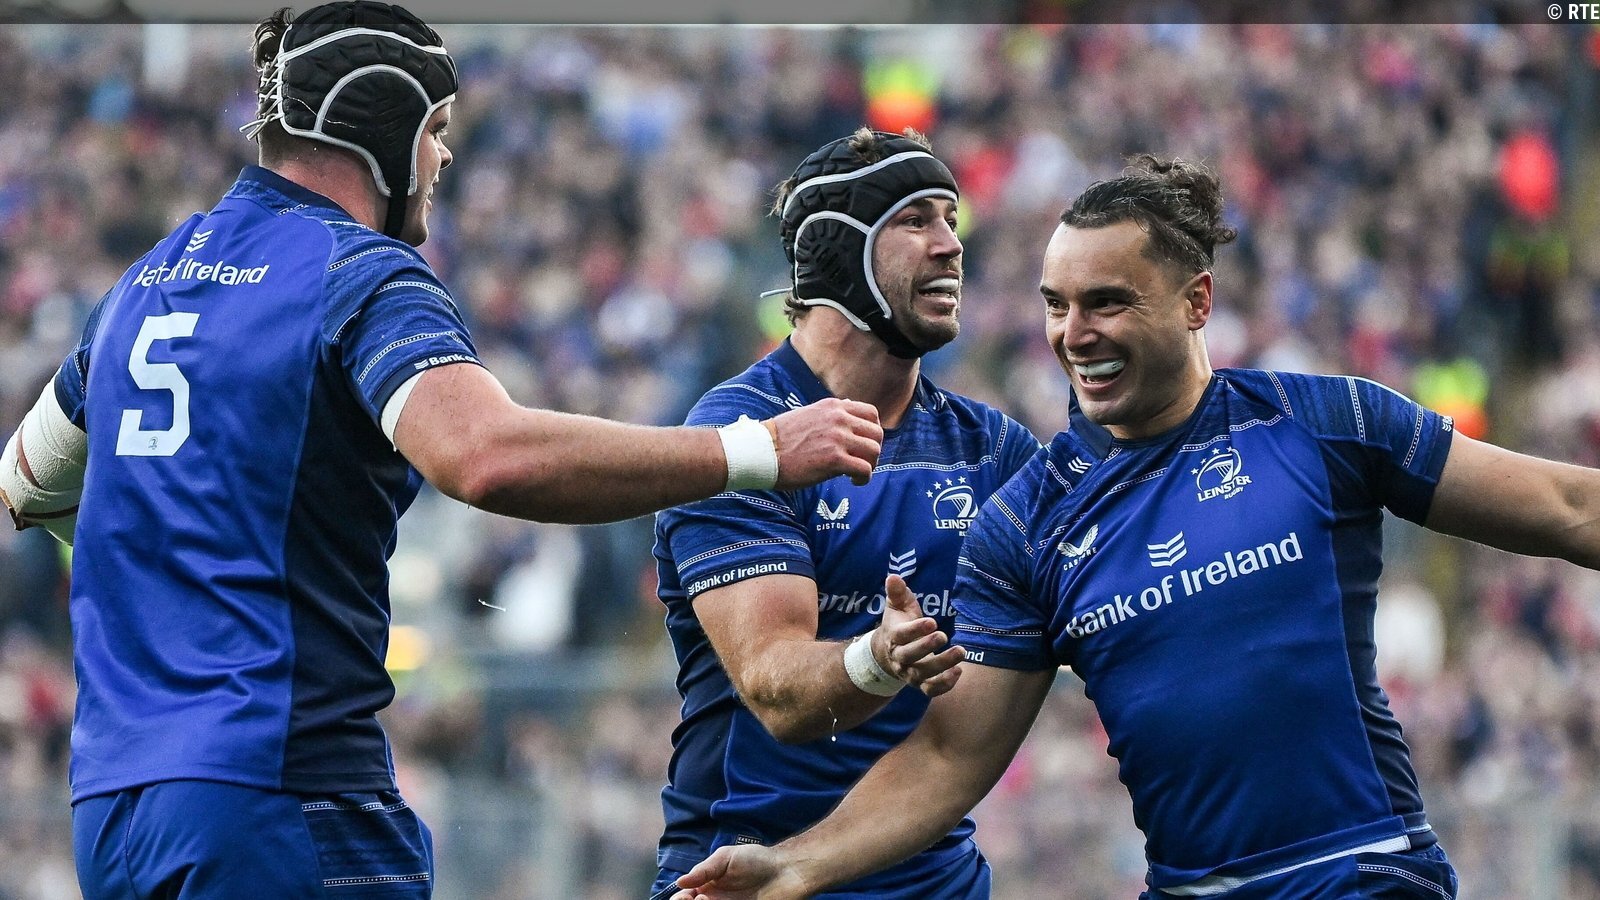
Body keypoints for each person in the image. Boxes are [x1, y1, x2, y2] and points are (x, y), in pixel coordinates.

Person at [0, 4, 883, 898]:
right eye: (434, 129)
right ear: (379, 131)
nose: (444, 156)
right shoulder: (355, 270)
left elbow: (27, 481)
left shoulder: (143, 281)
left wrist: (184, 545)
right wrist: (756, 449)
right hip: (279, 790)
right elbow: (484, 457)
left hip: (113, 810)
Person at [669, 153, 1600, 900]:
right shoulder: (1026, 519)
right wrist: (795, 868)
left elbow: (1571, 508)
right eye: (1056, 307)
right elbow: (950, 755)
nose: (1075, 334)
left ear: (1197, 301)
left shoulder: (1325, 422)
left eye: (1107, 302)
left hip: (1362, 870)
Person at [648, 127, 1039, 900]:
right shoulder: (740, 435)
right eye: (915, 220)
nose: (950, 245)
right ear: (836, 251)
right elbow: (777, 690)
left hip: (934, 883)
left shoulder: (993, 451)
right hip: (738, 878)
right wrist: (879, 659)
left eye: (951, 219)